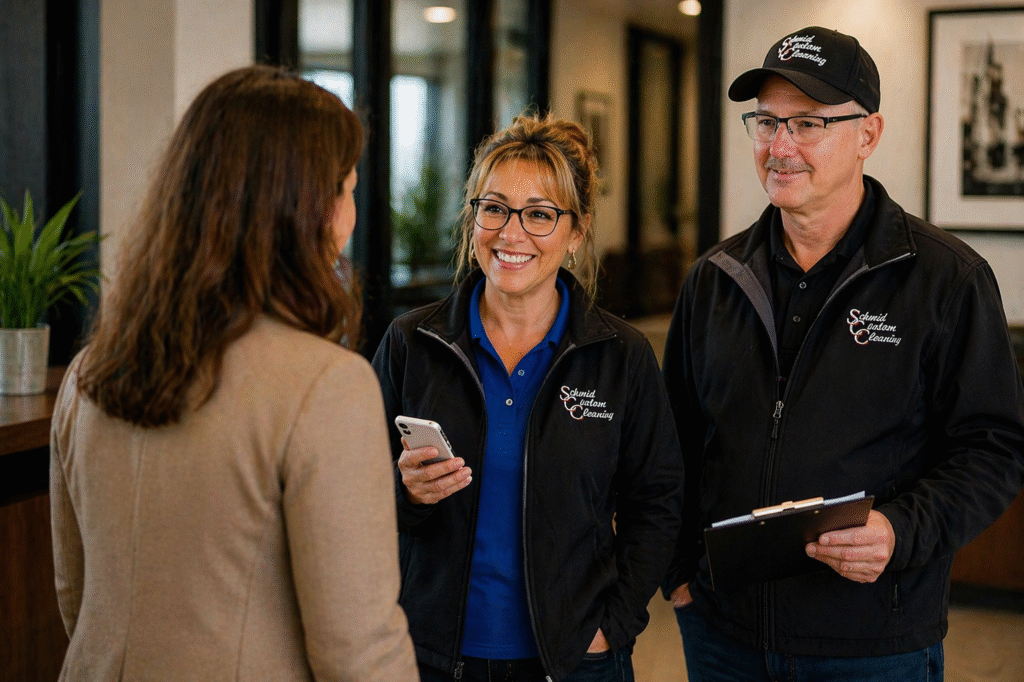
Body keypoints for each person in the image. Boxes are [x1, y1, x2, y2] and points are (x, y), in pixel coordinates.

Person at [662, 26, 1024, 681]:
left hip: (874, 643)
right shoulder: (712, 280)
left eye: (807, 123)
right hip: (722, 635)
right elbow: (670, 447)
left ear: (868, 134)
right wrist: (679, 576)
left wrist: (900, 529)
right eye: (767, 121)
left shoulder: (946, 279)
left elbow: (994, 449)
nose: (780, 146)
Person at [49, 65, 418, 681]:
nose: (352, 215)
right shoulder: (327, 386)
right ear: (311, 211)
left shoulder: (92, 370)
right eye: (349, 190)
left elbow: (75, 592)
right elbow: (360, 652)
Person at [371, 113, 682, 682]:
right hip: (430, 657)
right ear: (473, 218)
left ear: (577, 229)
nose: (511, 234)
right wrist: (405, 491)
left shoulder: (621, 355)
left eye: (540, 214)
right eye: (494, 208)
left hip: (573, 662)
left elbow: (657, 502)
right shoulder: (412, 344)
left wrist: (615, 622)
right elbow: (352, 493)